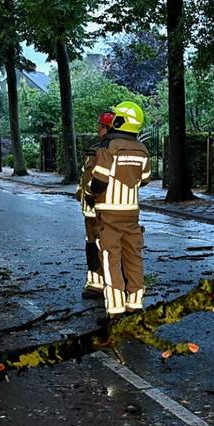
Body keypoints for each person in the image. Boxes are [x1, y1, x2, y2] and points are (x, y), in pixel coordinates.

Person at [86, 101, 152, 317]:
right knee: (134, 258)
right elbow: (145, 179)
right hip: (131, 214)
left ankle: (115, 309)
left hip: (109, 215)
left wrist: (88, 193)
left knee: (111, 259)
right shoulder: (142, 149)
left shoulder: (108, 147)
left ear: (120, 120)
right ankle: (135, 304)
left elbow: (99, 182)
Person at [78, 111, 113, 299]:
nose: (97, 129)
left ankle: (100, 285)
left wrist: (87, 194)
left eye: (100, 126)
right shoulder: (97, 150)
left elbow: (93, 178)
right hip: (94, 208)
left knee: (99, 246)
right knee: (94, 246)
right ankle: (98, 283)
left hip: (98, 208)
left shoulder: (101, 152)